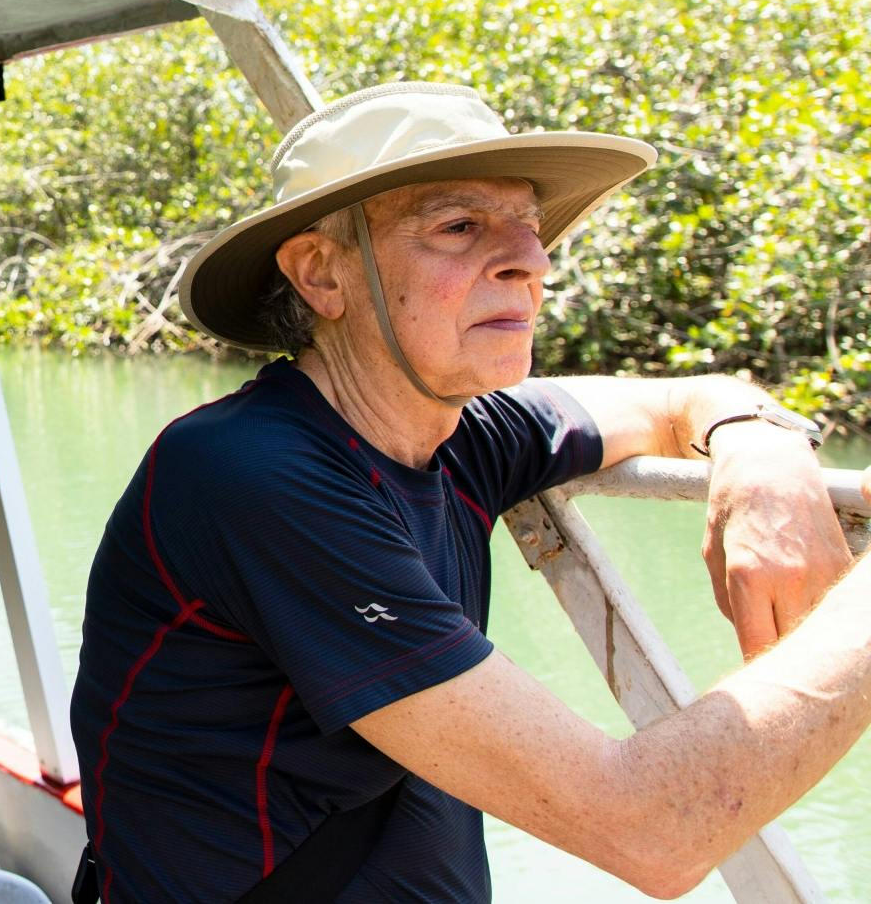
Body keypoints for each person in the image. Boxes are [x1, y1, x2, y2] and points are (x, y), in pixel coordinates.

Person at [71, 82, 871, 902]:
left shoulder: (462, 431)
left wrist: (757, 439)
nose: (533, 259)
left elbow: (677, 401)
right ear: (322, 273)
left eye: (529, 226)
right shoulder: (249, 474)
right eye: (459, 226)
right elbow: (651, 828)